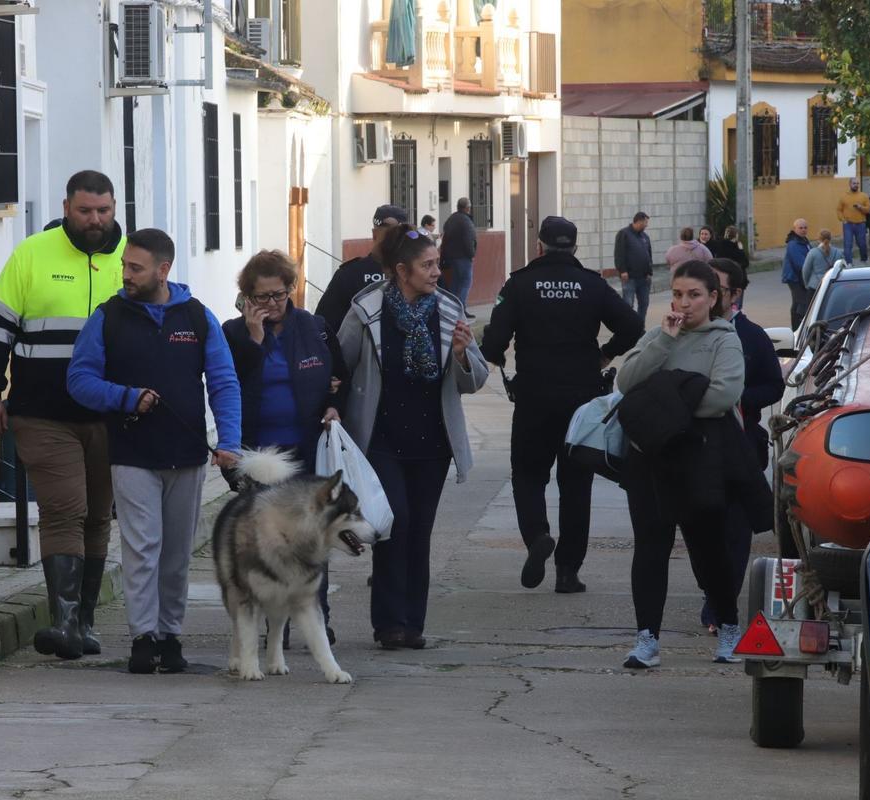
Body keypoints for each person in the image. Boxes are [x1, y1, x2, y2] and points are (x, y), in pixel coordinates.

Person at [67, 227, 241, 674]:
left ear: (163, 270)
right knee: (143, 546)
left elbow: (223, 384)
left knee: (177, 551)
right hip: (130, 452)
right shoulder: (107, 317)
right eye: (124, 264)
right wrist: (125, 397)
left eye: (134, 267)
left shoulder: (199, 319)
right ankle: (143, 637)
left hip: (186, 455)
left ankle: (170, 635)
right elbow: (80, 380)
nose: (125, 273)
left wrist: (231, 444)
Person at [0, 170, 125, 660]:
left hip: (112, 415)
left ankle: (83, 622)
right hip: (42, 413)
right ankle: (62, 623)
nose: (95, 220)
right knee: (64, 508)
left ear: (115, 208)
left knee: (99, 515)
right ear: (66, 207)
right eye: (85, 211)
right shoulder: (32, 255)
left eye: (103, 211)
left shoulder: (134, 259)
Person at [339, 224, 488, 649]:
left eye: (438, 263)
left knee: (419, 531)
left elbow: (475, 379)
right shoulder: (366, 309)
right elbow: (342, 363)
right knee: (395, 522)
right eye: (427, 265)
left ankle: (412, 624)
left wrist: (460, 354)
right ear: (402, 270)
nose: (437, 272)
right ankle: (388, 623)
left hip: (432, 444)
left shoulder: (447, 309)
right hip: (380, 439)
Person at [482, 216, 643, 593]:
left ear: (539, 247)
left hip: (534, 397)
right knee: (576, 485)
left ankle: (537, 535)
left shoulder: (519, 284)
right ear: (575, 246)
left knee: (527, 474)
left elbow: (493, 345)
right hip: (582, 401)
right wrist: (605, 354)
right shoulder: (591, 284)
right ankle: (568, 571)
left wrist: (500, 358)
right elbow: (633, 326)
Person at [616, 260, 746, 668]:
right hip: (650, 458)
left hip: (701, 457)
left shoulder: (725, 340)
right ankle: (647, 639)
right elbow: (626, 382)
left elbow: (723, 395)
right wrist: (664, 344)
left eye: (693, 295)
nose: (683, 303)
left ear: (713, 298)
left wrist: (662, 407)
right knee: (650, 546)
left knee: (708, 548)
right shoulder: (660, 336)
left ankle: (727, 624)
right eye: (676, 294)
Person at [222, 250, 349, 645]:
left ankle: (315, 618)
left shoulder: (314, 328)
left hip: (307, 451)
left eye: (278, 295)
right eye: (261, 297)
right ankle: (268, 623)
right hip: (260, 458)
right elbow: (228, 386)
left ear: (290, 290)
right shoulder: (231, 333)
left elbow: (341, 377)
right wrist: (255, 340)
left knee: (312, 539)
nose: (271, 304)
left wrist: (333, 405)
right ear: (246, 297)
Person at [699, 258, 783, 633]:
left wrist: (739, 397)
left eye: (717, 287)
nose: (710, 295)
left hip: (740, 448)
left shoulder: (751, 336)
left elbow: (774, 386)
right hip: (695, 450)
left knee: (735, 532)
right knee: (705, 531)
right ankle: (713, 595)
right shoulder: (686, 334)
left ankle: (721, 606)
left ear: (735, 294)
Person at [315, 204, 403, 333]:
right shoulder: (349, 274)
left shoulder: (419, 273)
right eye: (389, 233)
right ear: (374, 234)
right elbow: (324, 325)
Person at [613, 212, 654, 324]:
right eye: (645, 222)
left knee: (644, 304)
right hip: (630, 277)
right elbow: (619, 254)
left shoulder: (645, 237)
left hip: (644, 278)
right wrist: (622, 270)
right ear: (639, 221)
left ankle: (640, 327)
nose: (646, 225)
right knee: (628, 304)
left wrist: (649, 272)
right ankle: (627, 327)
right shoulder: (624, 234)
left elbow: (649, 255)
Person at [440, 197, 478, 313]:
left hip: (451, 257)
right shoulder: (466, 221)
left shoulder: (451, 219)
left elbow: (445, 237)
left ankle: (450, 308)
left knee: (455, 283)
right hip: (463, 257)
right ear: (467, 208)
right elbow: (469, 240)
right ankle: (460, 309)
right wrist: (471, 254)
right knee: (465, 282)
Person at [782, 219, 811, 330]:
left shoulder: (804, 241)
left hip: (800, 276)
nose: (803, 230)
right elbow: (800, 263)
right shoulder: (793, 243)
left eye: (805, 227)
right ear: (795, 229)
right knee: (801, 301)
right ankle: (797, 328)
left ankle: (796, 327)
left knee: (797, 302)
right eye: (800, 228)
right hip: (794, 277)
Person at [837, 177, 870, 263]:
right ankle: (849, 263)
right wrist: (842, 219)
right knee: (848, 244)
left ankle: (864, 260)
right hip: (848, 224)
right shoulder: (844, 197)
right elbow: (839, 210)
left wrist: (861, 207)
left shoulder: (864, 196)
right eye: (854, 183)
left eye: (857, 183)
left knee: (862, 244)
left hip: (861, 224)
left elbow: (868, 209)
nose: (856, 185)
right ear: (850, 184)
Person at [802, 229, 837, 297]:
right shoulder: (838, 252)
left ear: (818, 239)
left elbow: (805, 270)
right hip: (832, 286)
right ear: (831, 239)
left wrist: (807, 284)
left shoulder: (813, 253)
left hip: (815, 286)